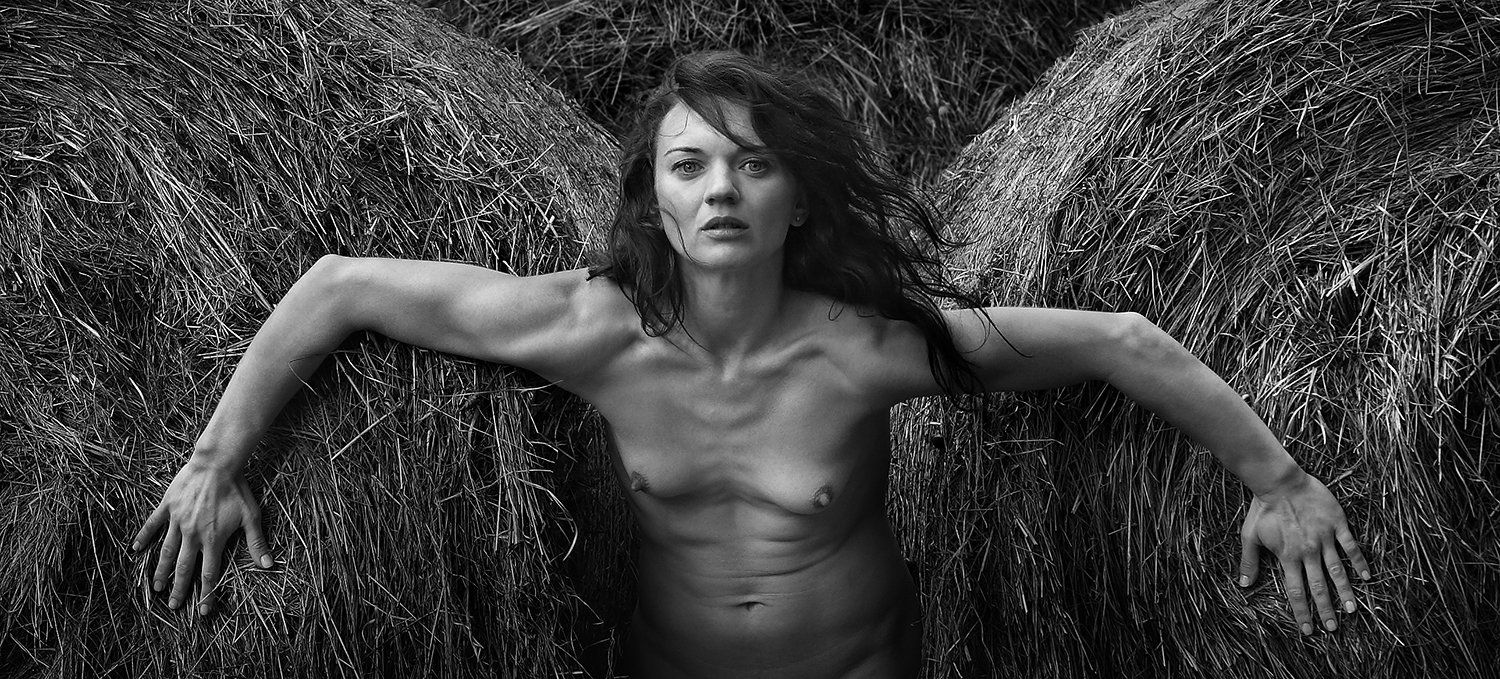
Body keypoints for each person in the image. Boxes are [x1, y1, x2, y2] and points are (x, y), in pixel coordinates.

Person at [133, 51, 1370, 678]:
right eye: (690, 165)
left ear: (797, 199)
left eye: (755, 164)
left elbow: (1116, 339)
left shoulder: (871, 349)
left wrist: (1281, 480)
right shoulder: (588, 330)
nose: (721, 187)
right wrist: (215, 462)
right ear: (656, 201)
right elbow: (339, 285)